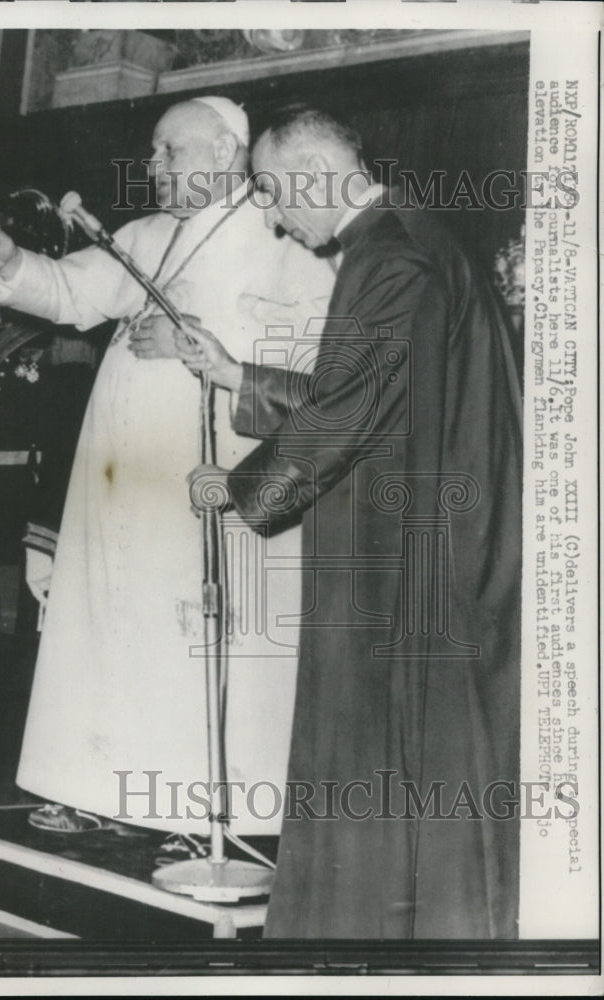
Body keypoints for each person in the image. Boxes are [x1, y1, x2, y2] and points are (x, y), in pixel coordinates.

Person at [0, 97, 335, 835]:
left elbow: (314, 374)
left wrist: (209, 342)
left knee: (184, 640)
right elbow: (70, 291)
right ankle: (100, 791)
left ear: (225, 153)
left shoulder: (289, 240)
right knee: (106, 628)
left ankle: (196, 812)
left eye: (169, 152)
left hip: (208, 482)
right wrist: (7, 259)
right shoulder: (146, 234)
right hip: (119, 485)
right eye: (154, 154)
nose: (152, 167)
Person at [179, 107, 523, 937]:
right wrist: (238, 376)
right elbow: (383, 403)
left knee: (393, 774)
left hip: (411, 568)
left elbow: (354, 409)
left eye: (269, 189)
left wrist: (242, 486)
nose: (271, 213)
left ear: (311, 168)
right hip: (414, 548)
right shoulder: (406, 241)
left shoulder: (393, 252)